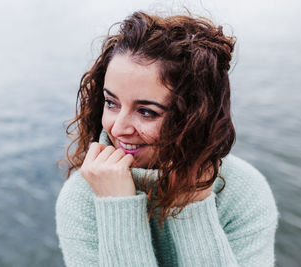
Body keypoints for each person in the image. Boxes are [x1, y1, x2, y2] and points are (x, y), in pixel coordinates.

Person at [56, 11, 278, 266]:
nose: (117, 129)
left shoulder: (243, 191)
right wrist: (117, 205)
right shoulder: (83, 197)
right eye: (111, 102)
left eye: (146, 111)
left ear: (195, 116)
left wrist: (192, 201)